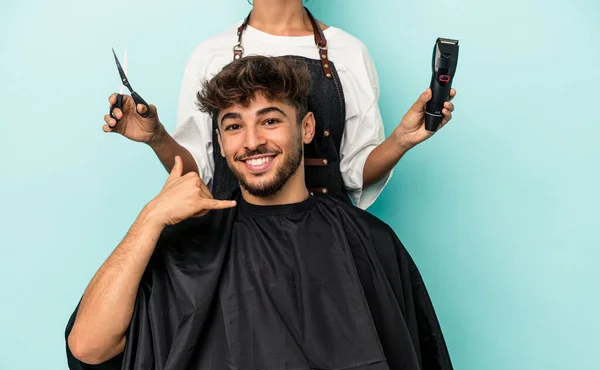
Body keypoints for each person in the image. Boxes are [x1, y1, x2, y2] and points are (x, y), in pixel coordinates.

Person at [68, 55, 462, 370]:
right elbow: (89, 346)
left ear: (306, 129)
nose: (252, 141)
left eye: (270, 120)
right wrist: (150, 217)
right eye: (234, 126)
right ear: (220, 143)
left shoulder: (369, 243)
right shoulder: (188, 244)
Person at [103, 0, 456, 209]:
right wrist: (157, 138)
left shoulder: (349, 52)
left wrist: (401, 140)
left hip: (329, 241)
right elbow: (204, 175)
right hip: (234, 242)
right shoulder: (210, 55)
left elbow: (352, 172)